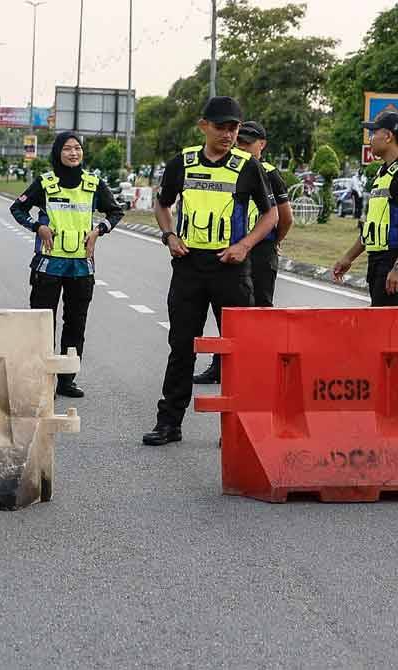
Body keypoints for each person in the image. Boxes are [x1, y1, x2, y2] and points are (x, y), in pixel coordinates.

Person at [143, 96, 278, 446]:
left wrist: (244, 245)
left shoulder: (249, 166)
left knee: (239, 349)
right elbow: (161, 205)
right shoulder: (183, 163)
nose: (229, 135)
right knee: (181, 347)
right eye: (221, 127)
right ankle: (169, 423)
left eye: (234, 128)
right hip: (189, 267)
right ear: (204, 126)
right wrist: (169, 235)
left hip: (230, 269)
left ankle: (238, 425)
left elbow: (271, 216)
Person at [9, 131, 123, 398]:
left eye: (78, 148)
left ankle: (67, 380)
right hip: (48, 266)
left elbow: (116, 211)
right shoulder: (45, 183)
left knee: (76, 324)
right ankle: (40, 378)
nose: (74, 153)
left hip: (81, 267)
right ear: (58, 153)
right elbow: (17, 209)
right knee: (41, 324)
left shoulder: (94, 184)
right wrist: (37, 226)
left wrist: (99, 230)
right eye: (68, 148)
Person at [192, 120, 294, 384]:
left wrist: (273, 242)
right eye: (241, 142)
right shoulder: (231, 170)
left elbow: (285, 217)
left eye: (249, 143)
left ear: (262, 145)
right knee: (229, 313)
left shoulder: (269, 173)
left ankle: (261, 368)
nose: (244, 147)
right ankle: (221, 366)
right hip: (233, 249)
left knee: (259, 310)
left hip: (260, 250)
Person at [332, 111, 398, 306]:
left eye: (373, 133)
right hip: (378, 257)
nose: (370, 139)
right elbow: (373, 227)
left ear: (388, 136)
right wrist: (348, 258)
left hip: (397, 256)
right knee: (380, 320)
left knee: (383, 323)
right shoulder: (383, 173)